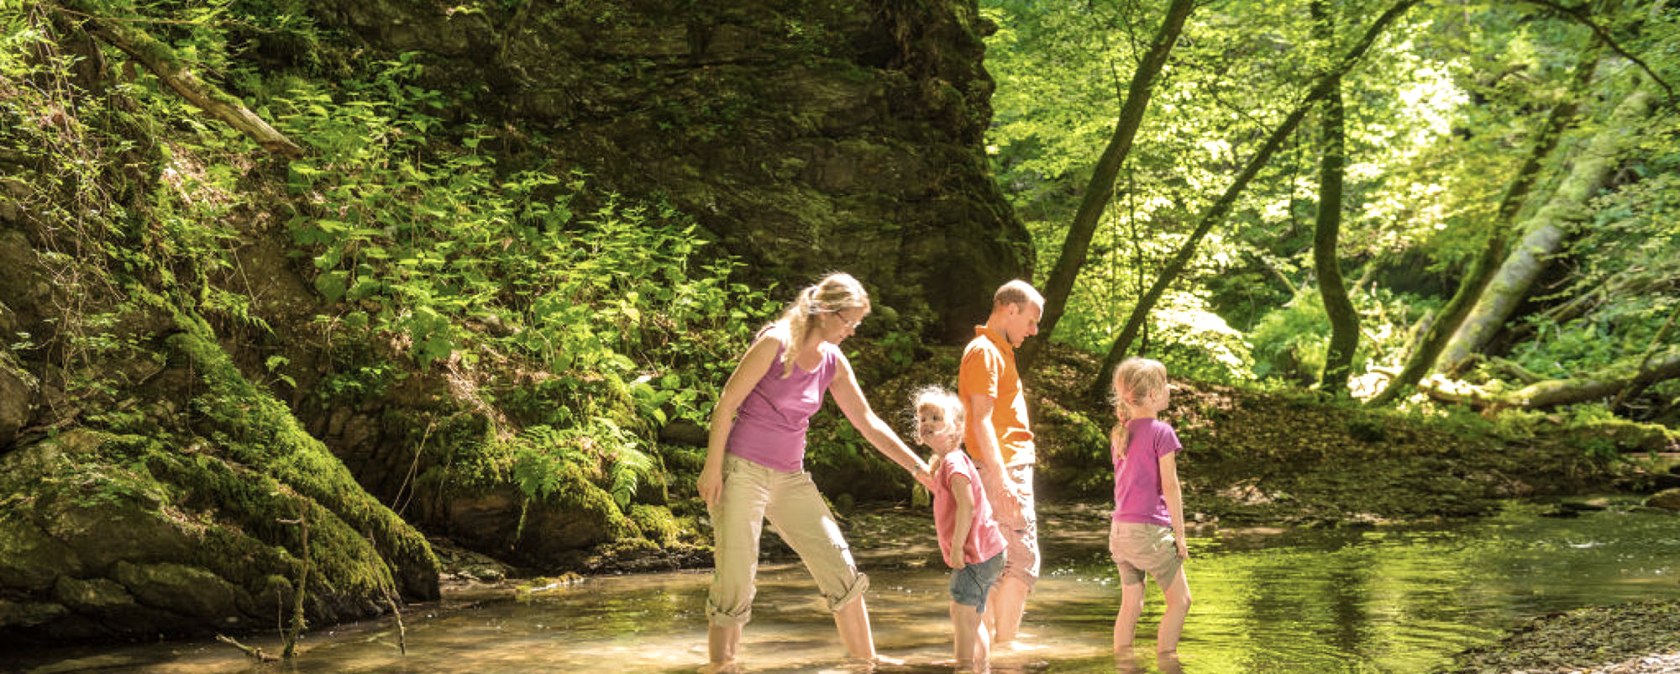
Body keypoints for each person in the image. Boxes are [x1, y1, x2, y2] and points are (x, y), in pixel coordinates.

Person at [696, 272, 934, 673]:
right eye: (849, 321)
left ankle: (865, 664)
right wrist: (712, 468)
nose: (852, 331)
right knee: (736, 581)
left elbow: (868, 422)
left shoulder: (832, 361)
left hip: (791, 478)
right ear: (825, 311)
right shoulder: (775, 342)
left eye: (857, 323)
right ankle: (723, 667)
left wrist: (919, 468)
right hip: (743, 472)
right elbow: (727, 403)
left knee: (840, 567)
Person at [957, 279, 1042, 649]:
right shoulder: (985, 352)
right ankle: (1007, 648)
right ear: (1010, 309)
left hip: (1004, 466)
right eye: (1031, 320)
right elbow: (980, 420)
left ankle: (992, 645)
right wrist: (1004, 480)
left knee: (1001, 560)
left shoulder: (997, 351)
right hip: (1002, 466)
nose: (1034, 330)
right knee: (1022, 561)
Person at [913, 387, 1007, 674]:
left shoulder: (954, 462)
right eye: (923, 419)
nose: (927, 423)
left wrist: (956, 548)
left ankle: (964, 666)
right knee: (970, 613)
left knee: (963, 614)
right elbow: (952, 499)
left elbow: (967, 505)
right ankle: (980, 666)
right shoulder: (948, 462)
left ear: (955, 429)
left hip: (975, 554)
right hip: (988, 552)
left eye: (936, 418)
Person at [1107, 357, 1192, 655]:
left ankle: (1123, 662)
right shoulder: (1161, 432)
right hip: (1149, 531)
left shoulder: (1121, 433)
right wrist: (1180, 536)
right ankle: (1168, 661)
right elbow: (1170, 486)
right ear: (1154, 394)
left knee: (1131, 603)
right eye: (1165, 384)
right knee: (1181, 601)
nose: (1170, 389)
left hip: (1119, 531)